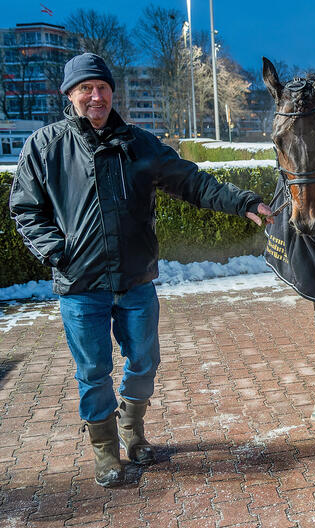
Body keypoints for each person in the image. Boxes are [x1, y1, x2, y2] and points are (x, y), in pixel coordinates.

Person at [9, 53, 272, 487]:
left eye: (103, 88)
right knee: (93, 372)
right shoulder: (45, 146)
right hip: (80, 286)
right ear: (70, 94)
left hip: (135, 281)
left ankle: (132, 429)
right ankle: (106, 451)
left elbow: (193, 181)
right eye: (86, 89)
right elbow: (25, 209)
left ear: (113, 93)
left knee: (145, 362)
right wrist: (58, 252)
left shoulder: (138, 143)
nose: (96, 96)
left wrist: (243, 201)